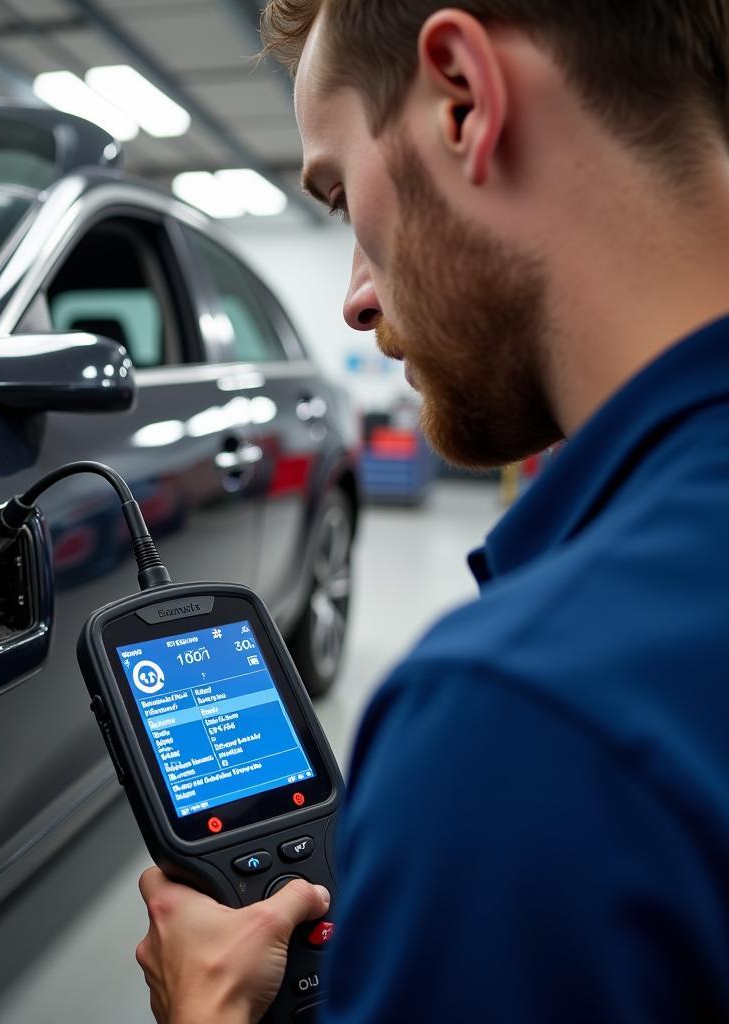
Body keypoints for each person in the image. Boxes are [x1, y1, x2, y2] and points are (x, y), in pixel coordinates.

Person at [134, 0, 729, 1020]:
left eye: (336, 195)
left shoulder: (520, 722)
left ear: (462, 100)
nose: (356, 300)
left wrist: (208, 1011)